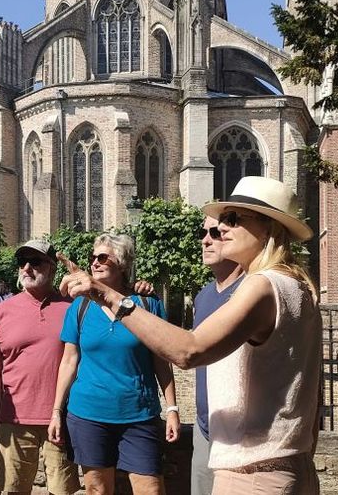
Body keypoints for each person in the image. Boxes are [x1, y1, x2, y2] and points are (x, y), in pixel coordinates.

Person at [60, 176, 322, 495]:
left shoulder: (262, 285)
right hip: (291, 466)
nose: (220, 229)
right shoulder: (299, 287)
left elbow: (190, 351)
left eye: (232, 219)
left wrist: (107, 296)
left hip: (253, 473)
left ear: (268, 228)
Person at [48, 233, 180, 495]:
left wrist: (173, 408)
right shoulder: (80, 307)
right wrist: (56, 411)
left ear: (121, 263)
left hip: (139, 414)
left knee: (151, 490)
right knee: (97, 490)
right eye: (92, 258)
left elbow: (161, 362)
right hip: (88, 414)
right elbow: (69, 360)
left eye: (102, 257)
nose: (94, 263)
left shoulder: (147, 304)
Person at [0, 239, 81, 495]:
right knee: (13, 490)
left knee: (62, 491)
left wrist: (137, 288)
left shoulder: (71, 308)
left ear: (51, 268)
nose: (26, 268)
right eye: (22, 262)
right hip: (15, 420)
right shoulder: (3, 311)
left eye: (35, 262)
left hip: (61, 418)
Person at [191, 217, 244, 495]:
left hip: (240, 430)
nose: (205, 239)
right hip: (204, 425)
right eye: (203, 232)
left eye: (215, 232)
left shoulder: (252, 290)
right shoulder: (202, 297)